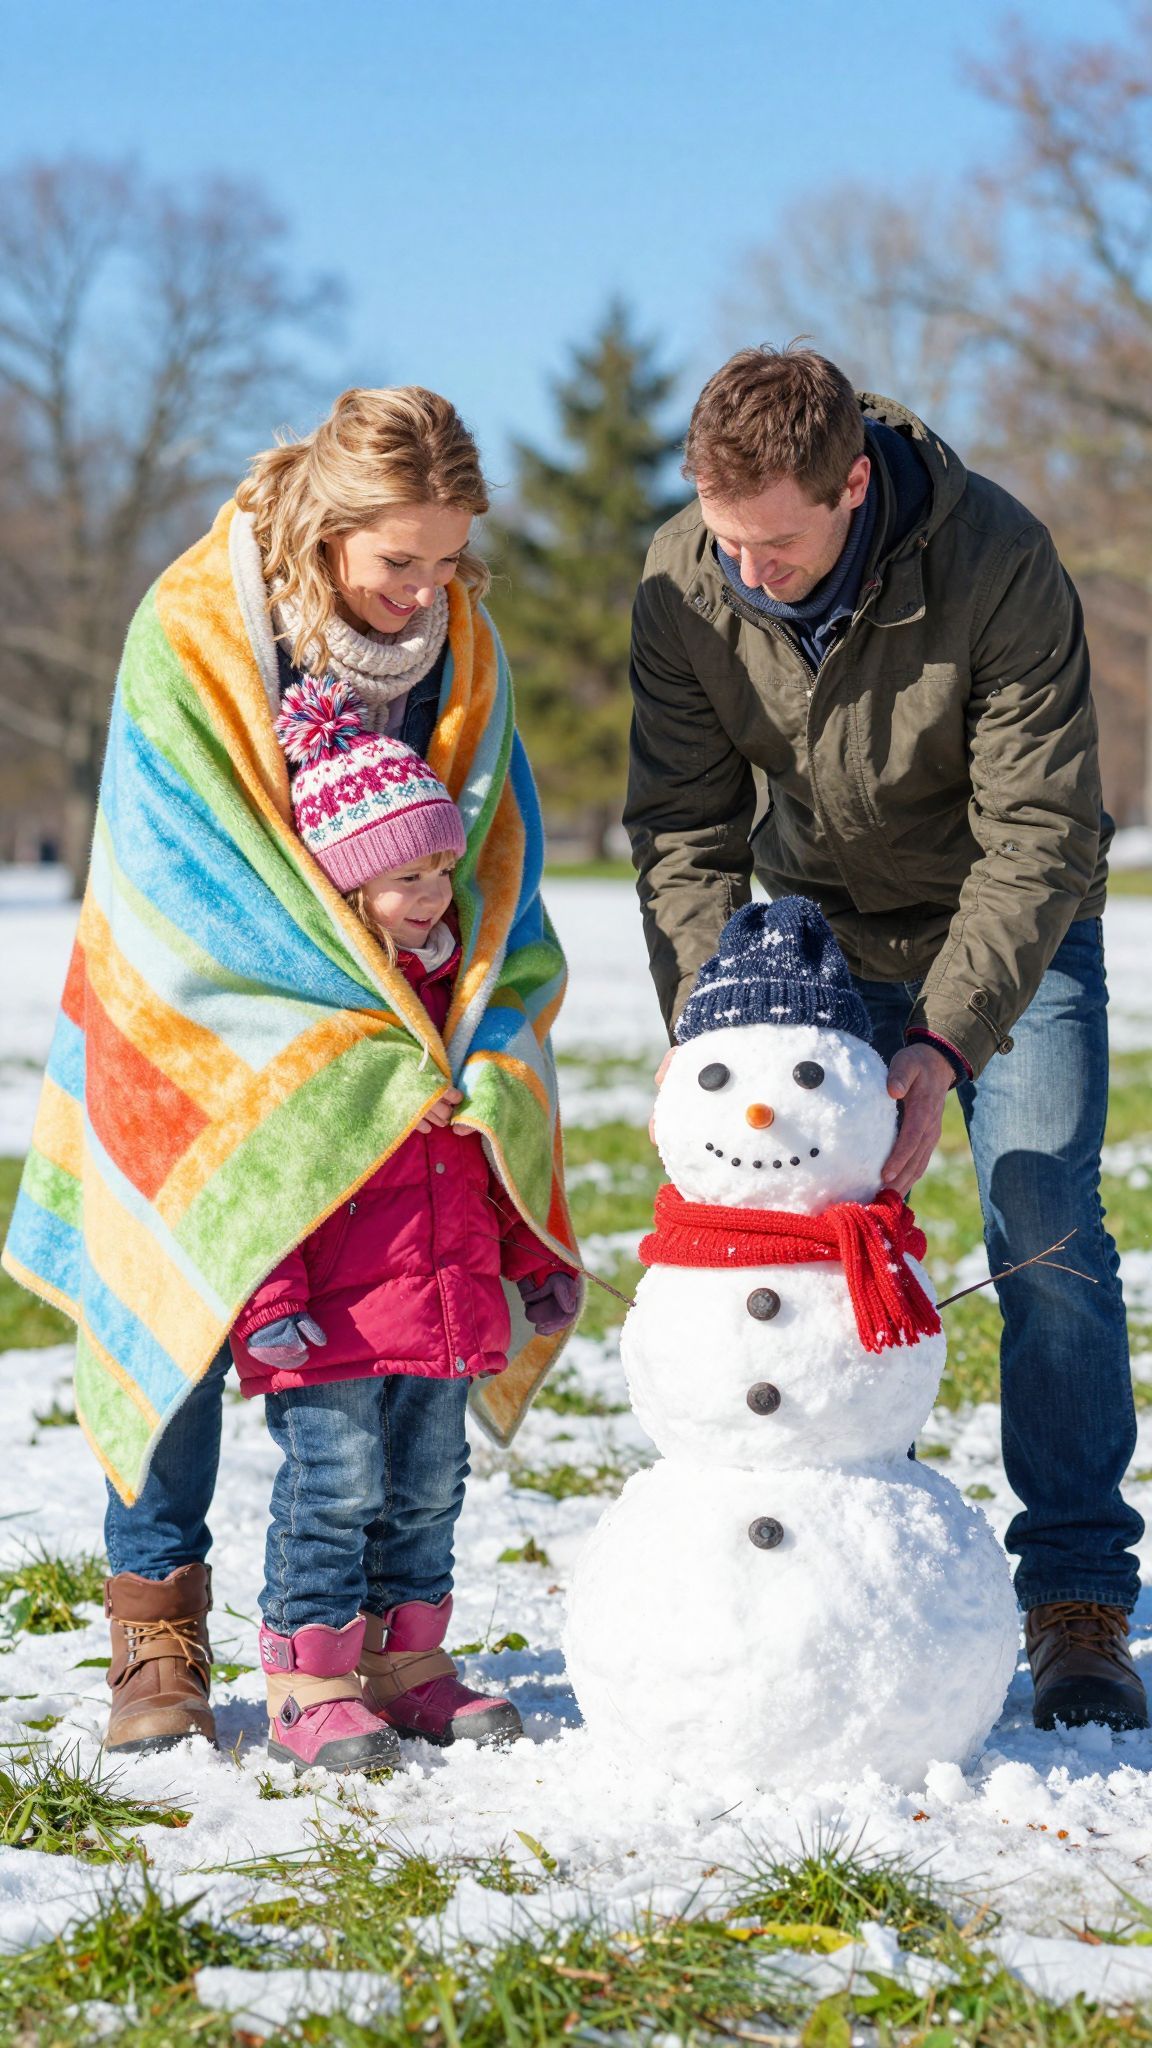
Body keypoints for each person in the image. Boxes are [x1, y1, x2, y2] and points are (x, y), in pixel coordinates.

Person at [3, 387, 579, 1755]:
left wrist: (466, 1017)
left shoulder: (464, 645)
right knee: (193, 1277)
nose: (424, 590)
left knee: (412, 1420)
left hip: (416, 1026)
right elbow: (180, 867)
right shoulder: (194, 630)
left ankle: (387, 1651)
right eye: (398, 563)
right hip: (203, 1008)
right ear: (324, 532)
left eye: (448, 561)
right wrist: (335, 1014)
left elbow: (497, 848)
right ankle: (159, 1620)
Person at [626, 343, 1146, 1733]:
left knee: (1041, 1215)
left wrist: (947, 1046)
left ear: (855, 485)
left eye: (776, 545)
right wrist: (709, 1033)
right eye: (725, 536)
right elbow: (683, 827)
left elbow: (1040, 834)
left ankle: (1079, 1595)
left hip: (1011, 923)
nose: (746, 568)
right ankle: (849, 1577)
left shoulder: (998, 562)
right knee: (807, 1238)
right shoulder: (684, 575)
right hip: (816, 935)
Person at [228, 681, 578, 1772]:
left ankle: (407, 1664)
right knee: (334, 1489)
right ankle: (309, 1677)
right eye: (402, 877)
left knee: (430, 1486)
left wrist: (534, 1256)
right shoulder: (320, 1022)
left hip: (447, 1302)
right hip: (328, 1319)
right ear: (343, 887)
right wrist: (271, 1299)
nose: (432, 894)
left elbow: (492, 1152)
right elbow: (269, 1166)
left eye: (439, 871)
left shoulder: (461, 1005)